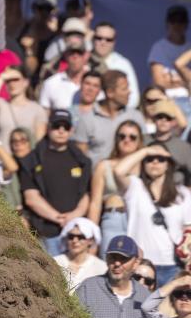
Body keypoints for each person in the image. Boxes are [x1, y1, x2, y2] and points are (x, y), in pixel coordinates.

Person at [113, 142, 191, 285]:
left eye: (161, 158)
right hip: (139, 266)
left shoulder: (183, 194)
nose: (155, 162)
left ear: (168, 164)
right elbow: (118, 170)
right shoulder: (135, 187)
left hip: (172, 267)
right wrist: (145, 151)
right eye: (150, 158)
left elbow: (188, 230)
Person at [18, 108, 92, 255]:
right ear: (48, 127)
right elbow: (31, 198)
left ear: (72, 130)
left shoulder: (82, 160)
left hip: (77, 234)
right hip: (45, 232)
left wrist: (74, 216)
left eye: (66, 127)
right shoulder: (32, 159)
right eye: (57, 126)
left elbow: (86, 195)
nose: (61, 130)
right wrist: (58, 218)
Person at [75, 235, 151, 318]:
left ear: (136, 262)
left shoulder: (145, 296)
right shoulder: (88, 288)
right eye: (113, 257)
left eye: (123, 259)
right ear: (106, 259)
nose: (117, 263)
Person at [87, 120, 144, 256]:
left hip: (140, 220)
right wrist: (91, 237)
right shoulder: (104, 165)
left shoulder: (146, 165)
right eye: (122, 136)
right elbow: (95, 203)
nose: (126, 140)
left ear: (139, 141)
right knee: (111, 262)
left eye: (132, 137)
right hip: (114, 218)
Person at [72, 70, 146, 166]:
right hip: (96, 178)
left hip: (127, 178)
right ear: (110, 93)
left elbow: (143, 150)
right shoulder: (87, 119)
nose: (129, 92)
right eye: (124, 89)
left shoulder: (136, 116)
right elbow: (80, 158)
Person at [148, 5, 191, 120]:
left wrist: (172, 80)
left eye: (181, 21)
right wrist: (184, 82)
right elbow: (158, 81)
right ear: (167, 23)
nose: (177, 25)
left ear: (186, 24)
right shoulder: (159, 47)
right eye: (173, 21)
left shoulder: (189, 49)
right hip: (166, 102)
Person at [0, 66, 47, 150]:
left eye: (16, 79)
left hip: (25, 161)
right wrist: (1, 77)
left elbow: (40, 142)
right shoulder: (1, 104)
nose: (12, 84)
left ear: (26, 82)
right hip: (0, 160)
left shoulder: (37, 109)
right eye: (8, 81)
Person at [87, 22, 139, 107]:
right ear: (93, 39)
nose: (103, 42)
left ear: (114, 42)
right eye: (99, 38)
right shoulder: (82, 59)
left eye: (108, 40)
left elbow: (133, 98)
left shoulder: (122, 64)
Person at [54, 217, 107, 293]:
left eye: (81, 237)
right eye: (71, 237)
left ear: (91, 241)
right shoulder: (56, 262)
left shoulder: (101, 267)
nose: (75, 241)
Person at [147, 99, 191, 186]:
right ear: (153, 119)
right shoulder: (142, 140)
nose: (163, 121)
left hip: (176, 192)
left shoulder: (184, 147)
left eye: (168, 118)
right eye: (160, 117)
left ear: (174, 122)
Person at [38, 40, 88, 112]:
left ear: (85, 56)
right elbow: (44, 114)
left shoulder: (95, 82)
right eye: (71, 53)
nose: (75, 56)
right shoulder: (51, 83)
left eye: (79, 53)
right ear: (65, 55)